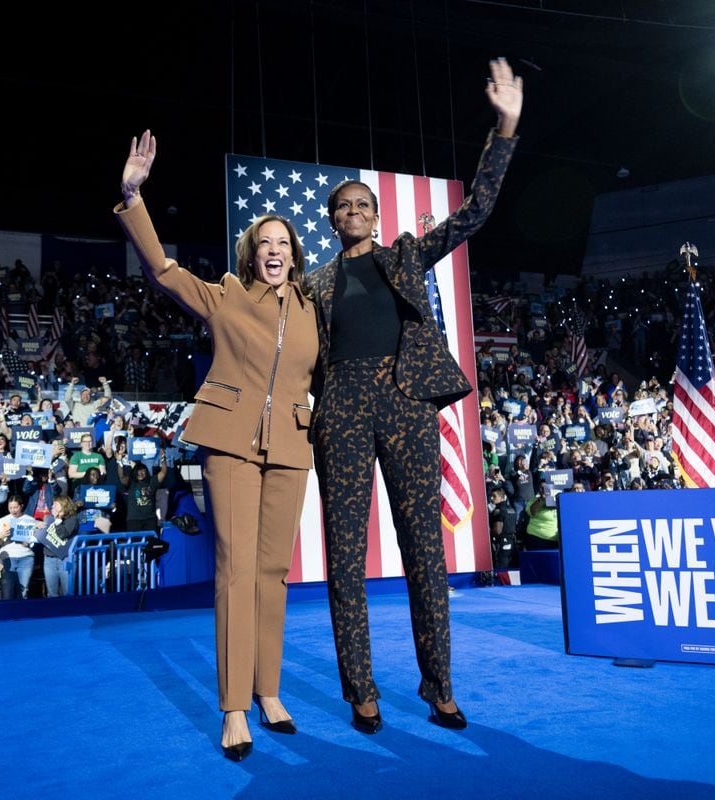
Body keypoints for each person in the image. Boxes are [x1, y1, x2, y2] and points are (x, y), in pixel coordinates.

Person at [303, 58, 523, 733]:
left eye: (363, 205)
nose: (354, 213)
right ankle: (360, 691)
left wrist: (506, 125)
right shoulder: (311, 284)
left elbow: (476, 213)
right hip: (339, 407)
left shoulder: (405, 255)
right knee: (345, 557)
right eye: (343, 207)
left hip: (405, 405)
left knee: (426, 551)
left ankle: (440, 687)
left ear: (375, 215)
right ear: (332, 220)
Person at [117, 129, 317, 761]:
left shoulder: (316, 309)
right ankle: (234, 708)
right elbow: (164, 271)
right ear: (250, 252)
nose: (274, 252)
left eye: (284, 243)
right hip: (228, 441)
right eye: (265, 244)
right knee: (234, 570)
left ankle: (269, 691)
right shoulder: (226, 295)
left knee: (272, 573)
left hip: (290, 443)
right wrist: (133, 196)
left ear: (296, 253)